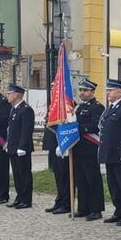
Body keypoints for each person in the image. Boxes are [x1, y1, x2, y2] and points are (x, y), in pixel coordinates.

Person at [99, 79, 121, 227]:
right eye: (107, 90)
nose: (108, 93)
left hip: (119, 153)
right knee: (113, 185)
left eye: (111, 90)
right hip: (108, 153)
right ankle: (118, 211)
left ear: (120, 92)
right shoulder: (109, 109)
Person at [73, 78, 106, 221]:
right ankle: (83, 207)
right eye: (80, 90)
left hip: (90, 148)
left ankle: (96, 209)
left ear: (92, 91)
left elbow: (94, 126)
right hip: (78, 148)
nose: (82, 93)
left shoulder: (97, 107)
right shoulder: (78, 107)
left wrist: (77, 129)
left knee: (92, 179)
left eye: (85, 90)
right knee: (80, 179)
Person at [4, 84, 34, 209]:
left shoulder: (26, 109)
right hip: (13, 147)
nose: (8, 95)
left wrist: (22, 146)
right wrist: (8, 143)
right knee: (17, 174)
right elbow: (11, 129)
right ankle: (19, 197)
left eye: (9, 93)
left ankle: (26, 200)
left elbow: (26, 131)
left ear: (16, 94)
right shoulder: (14, 109)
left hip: (22, 148)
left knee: (24, 174)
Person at [44, 83, 71, 215]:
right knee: (57, 175)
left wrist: (63, 145)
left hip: (63, 145)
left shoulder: (68, 104)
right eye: (52, 88)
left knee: (64, 176)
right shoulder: (53, 104)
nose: (53, 90)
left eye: (56, 88)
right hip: (53, 145)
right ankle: (59, 200)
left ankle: (66, 203)